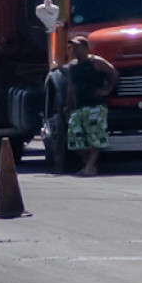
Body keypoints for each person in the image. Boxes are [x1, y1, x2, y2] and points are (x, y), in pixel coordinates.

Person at [59, 34, 118, 177]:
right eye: (72, 47)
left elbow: (114, 73)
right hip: (79, 107)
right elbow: (70, 87)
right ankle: (88, 165)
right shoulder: (73, 66)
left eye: (77, 47)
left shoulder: (96, 62)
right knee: (74, 139)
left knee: (95, 137)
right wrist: (68, 105)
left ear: (86, 48)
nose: (74, 50)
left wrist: (107, 90)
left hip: (95, 106)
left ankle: (90, 167)